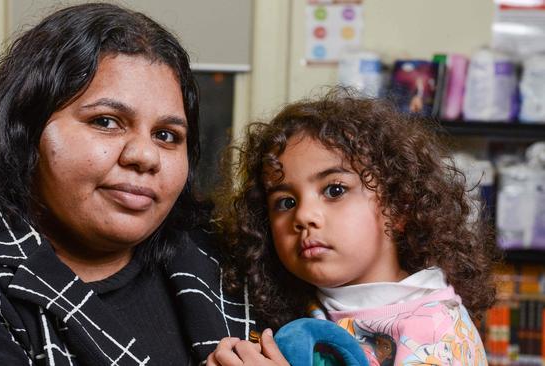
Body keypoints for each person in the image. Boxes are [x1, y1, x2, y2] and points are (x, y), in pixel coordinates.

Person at [0, 3, 259, 365]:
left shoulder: (227, 259)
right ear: (24, 129)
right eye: (106, 121)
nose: (145, 156)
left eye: (166, 135)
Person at [208, 90, 498, 365]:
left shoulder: (440, 334)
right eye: (285, 202)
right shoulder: (299, 306)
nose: (304, 216)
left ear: (399, 206)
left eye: (335, 190)